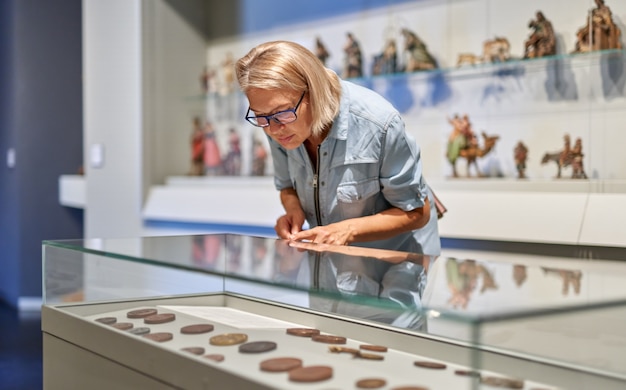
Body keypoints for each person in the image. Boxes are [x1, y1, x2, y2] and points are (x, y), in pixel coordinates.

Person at [235, 40, 440, 255]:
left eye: (282, 112)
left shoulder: (378, 123)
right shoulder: (276, 123)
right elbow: (287, 186)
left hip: (398, 266)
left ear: (313, 91)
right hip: (334, 265)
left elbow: (417, 211)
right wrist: (294, 211)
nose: (273, 130)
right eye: (261, 117)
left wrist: (348, 230)